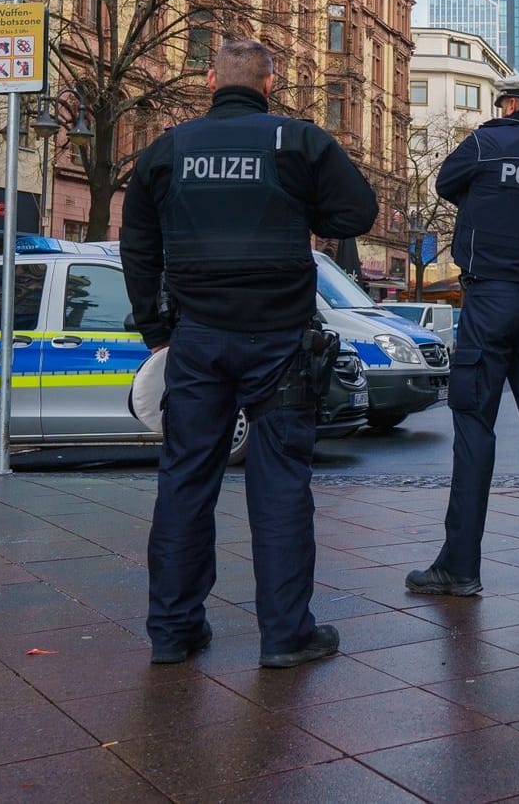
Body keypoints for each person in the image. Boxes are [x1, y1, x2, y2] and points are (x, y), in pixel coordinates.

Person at [120, 36, 378, 668]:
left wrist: (157, 331)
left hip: (197, 339)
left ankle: (174, 631)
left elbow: (138, 245)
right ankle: (286, 636)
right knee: (281, 485)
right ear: (269, 84)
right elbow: (358, 211)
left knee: (185, 481)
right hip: (280, 340)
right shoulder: (297, 142)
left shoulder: (168, 149)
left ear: (211, 82)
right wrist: (299, 204)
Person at [407, 74, 519, 597]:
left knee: (474, 429)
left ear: (507, 105)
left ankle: (460, 567)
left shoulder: (484, 142)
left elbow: (445, 185)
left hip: (488, 302)